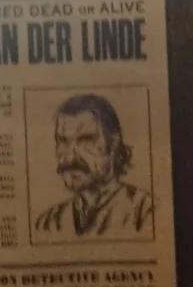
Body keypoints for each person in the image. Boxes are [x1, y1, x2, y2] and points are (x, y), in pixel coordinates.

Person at [35, 93, 153, 238]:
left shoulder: (145, 211)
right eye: (63, 141)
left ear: (113, 145)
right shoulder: (48, 222)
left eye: (86, 140)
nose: (70, 157)